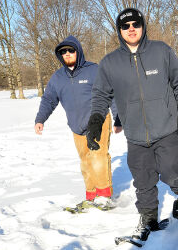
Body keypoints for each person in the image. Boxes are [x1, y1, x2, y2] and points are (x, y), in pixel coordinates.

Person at [86, 8, 178, 242]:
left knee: (171, 170)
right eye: (125, 26)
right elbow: (101, 95)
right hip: (135, 134)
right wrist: (95, 121)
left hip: (165, 127)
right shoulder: (110, 62)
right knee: (142, 179)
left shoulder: (161, 51)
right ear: (119, 31)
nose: (131, 29)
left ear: (142, 26)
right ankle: (148, 217)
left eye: (135, 24)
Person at [34, 35, 120, 211]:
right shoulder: (58, 77)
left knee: (98, 155)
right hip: (76, 125)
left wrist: (118, 118)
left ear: (78, 51)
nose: (67, 54)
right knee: (85, 160)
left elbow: (110, 93)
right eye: (63, 52)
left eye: (70, 50)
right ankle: (91, 195)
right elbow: (49, 99)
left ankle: (104, 196)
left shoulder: (94, 70)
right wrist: (40, 119)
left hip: (99, 120)